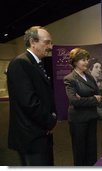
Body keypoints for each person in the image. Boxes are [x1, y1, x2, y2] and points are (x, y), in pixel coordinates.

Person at [6, 26, 57, 166]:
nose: (51, 46)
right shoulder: (20, 63)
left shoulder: (36, 63)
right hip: (31, 137)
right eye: (47, 42)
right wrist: (50, 121)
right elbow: (29, 102)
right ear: (33, 42)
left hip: (40, 134)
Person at [64, 48, 102, 166]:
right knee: (80, 151)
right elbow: (74, 101)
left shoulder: (89, 76)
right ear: (75, 62)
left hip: (91, 117)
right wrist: (93, 99)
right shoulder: (70, 78)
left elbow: (98, 94)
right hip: (78, 120)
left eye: (87, 59)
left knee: (92, 150)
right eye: (82, 60)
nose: (86, 62)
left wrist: (84, 99)